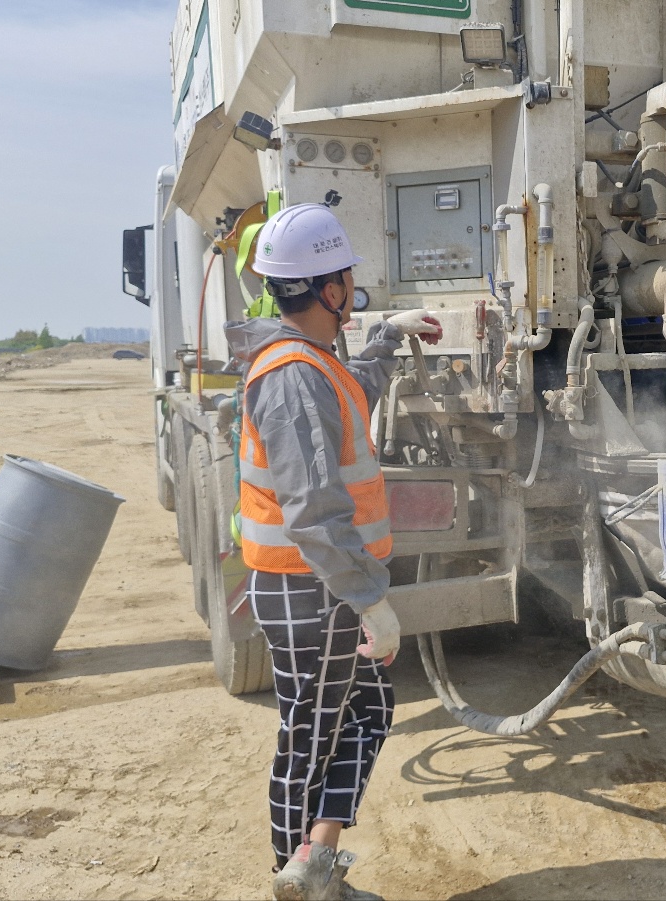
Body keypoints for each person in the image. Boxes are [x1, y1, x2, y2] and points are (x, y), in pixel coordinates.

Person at [225, 202, 443, 901]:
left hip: (324, 585)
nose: (353, 284)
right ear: (327, 288)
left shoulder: (312, 359)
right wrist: (369, 598)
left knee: (369, 713)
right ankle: (295, 881)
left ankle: (314, 863)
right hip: (311, 586)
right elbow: (314, 512)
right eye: (347, 276)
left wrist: (382, 339)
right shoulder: (290, 376)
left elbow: (352, 396)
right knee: (310, 735)